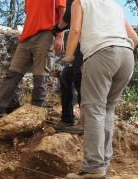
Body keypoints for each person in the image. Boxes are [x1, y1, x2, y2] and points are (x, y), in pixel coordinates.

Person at [64, 0, 138, 179]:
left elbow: (74, 31)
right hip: (127, 56)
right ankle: (103, 164)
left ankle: (93, 168)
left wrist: (68, 57)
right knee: (107, 109)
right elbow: (135, 39)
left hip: (102, 53)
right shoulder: (114, 5)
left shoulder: (79, 2)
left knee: (93, 109)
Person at [0, 0, 66, 118]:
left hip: (46, 33)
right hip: (26, 36)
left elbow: (63, 11)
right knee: (12, 73)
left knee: (40, 76)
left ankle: (36, 114)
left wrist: (60, 35)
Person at [52, 0, 84, 134]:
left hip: (90, 46)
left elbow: (66, 21)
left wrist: (57, 29)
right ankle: (67, 118)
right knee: (66, 75)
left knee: (80, 79)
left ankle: (86, 123)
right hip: (81, 44)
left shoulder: (76, 2)